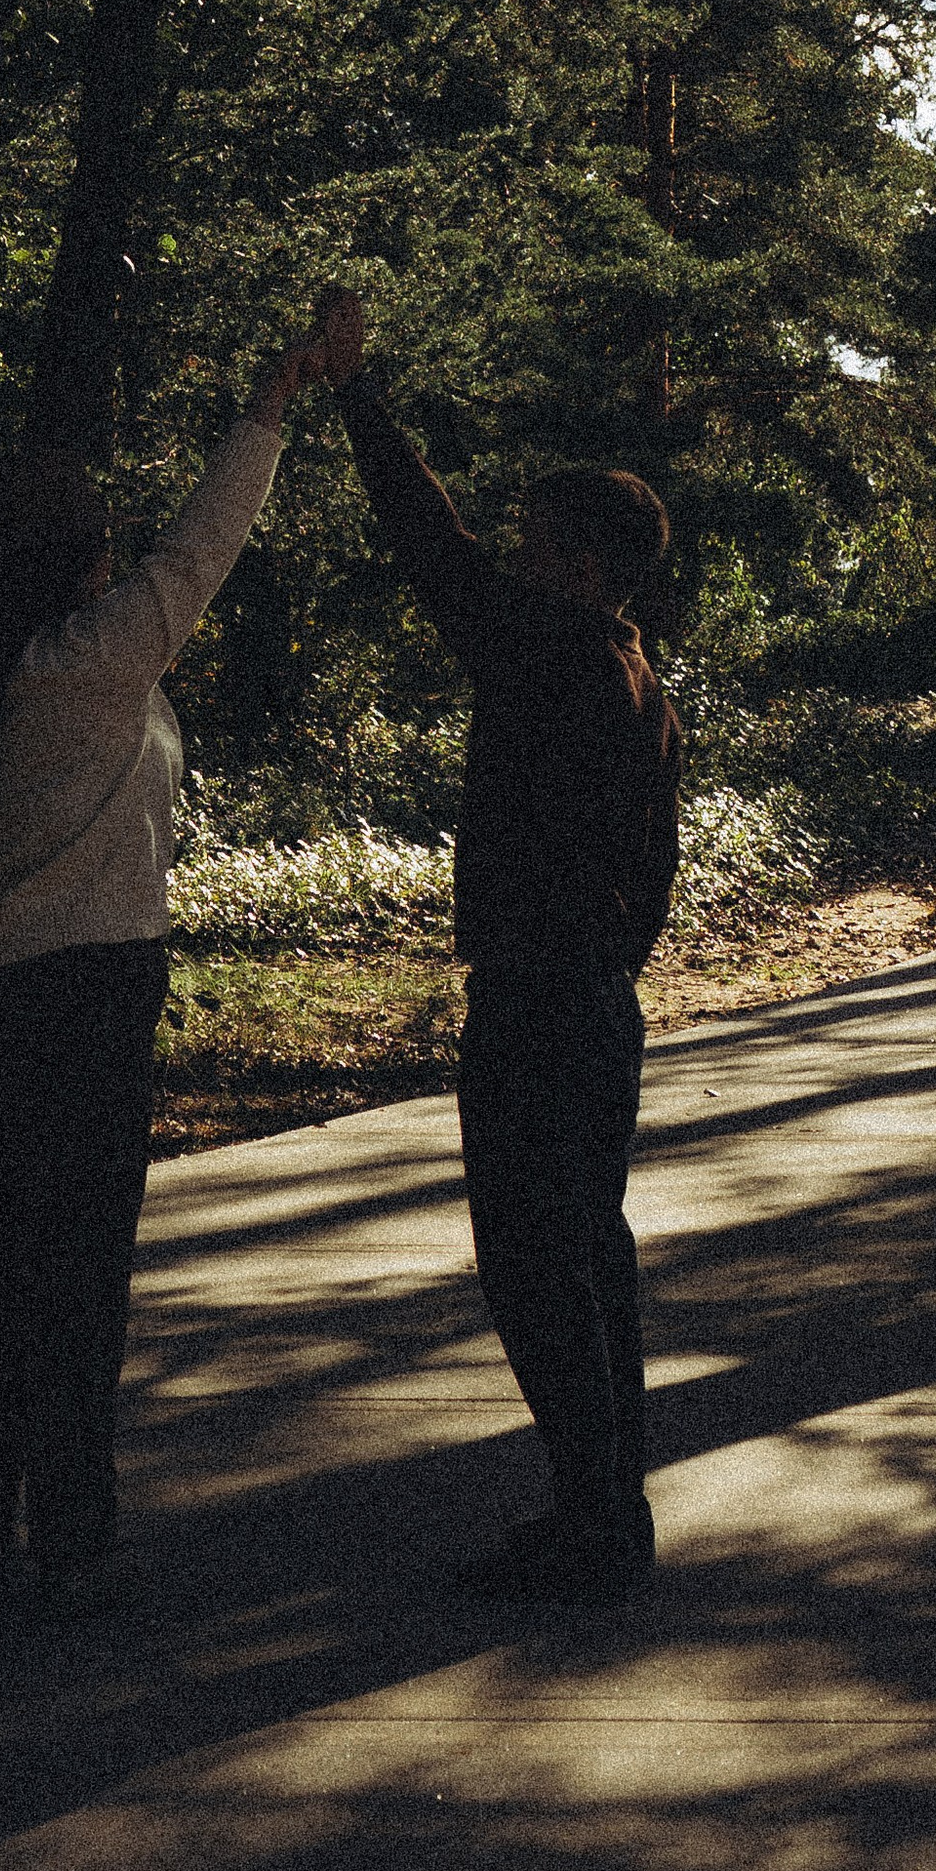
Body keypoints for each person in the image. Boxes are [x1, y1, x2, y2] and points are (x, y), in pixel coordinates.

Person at [0, 315, 339, 1618]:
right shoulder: (90, 663)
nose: (116, 555)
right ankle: (72, 1536)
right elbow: (204, 544)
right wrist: (269, 402)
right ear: (70, 565)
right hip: (74, 1000)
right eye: (99, 543)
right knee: (74, 1275)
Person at [317, 291, 683, 1601]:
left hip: (541, 1007)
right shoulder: (634, 674)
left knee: (537, 1266)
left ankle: (594, 1529)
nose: (512, 558)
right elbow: (654, 869)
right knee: (589, 1258)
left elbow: (434, 550)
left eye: (534, 542)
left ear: (580, 566)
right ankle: (607, 1511)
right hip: (597, 1005)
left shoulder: (554, 656)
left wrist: (354, 395)